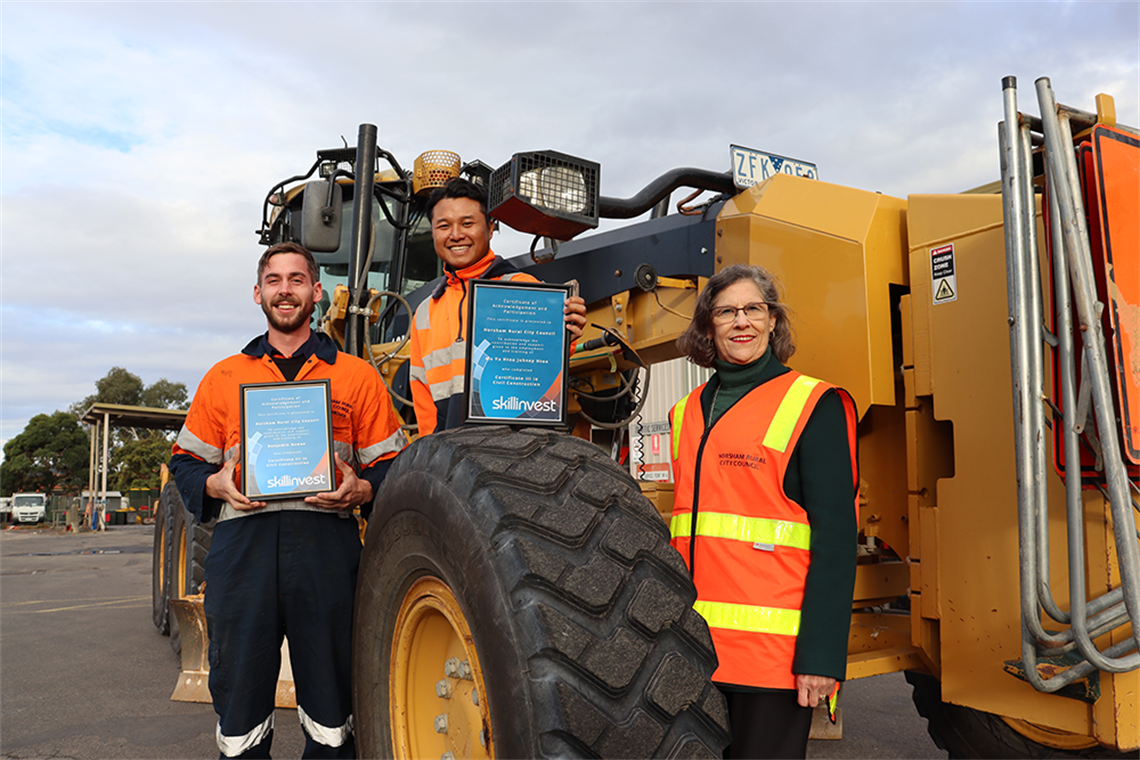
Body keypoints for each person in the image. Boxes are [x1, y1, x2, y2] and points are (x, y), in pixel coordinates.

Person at [169, 242, 407, 760]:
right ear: (258, 293)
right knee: (239, 693)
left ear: (316, 292)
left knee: (331, 698)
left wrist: (363, 488)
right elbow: (185, 464)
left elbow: (391, 465)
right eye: (274, 280)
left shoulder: (357, 376)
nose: (285, 290)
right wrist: (216, 484)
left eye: (297, 279)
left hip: (327, 550)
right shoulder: (224, 377)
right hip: (241, 550)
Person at [668, 264, 858, 760]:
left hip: (773, 662)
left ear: (774, 322)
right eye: (727, 311)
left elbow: (836, 543)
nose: (741, 322)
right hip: (693, 656)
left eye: (754, 309)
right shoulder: (685, 412)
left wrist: (821, 657)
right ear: (708, 326)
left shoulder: (813, 404)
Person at [408, 177, 587, 436]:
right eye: (444, 226)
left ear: (490, 228)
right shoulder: (425, 312)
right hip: (447, 459)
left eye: (467, 223)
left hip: (517, 447)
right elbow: (422, 397)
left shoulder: (524, 289)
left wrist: (567, 333)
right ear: (433, 232)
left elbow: (545, 370)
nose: (456, 235)